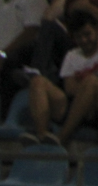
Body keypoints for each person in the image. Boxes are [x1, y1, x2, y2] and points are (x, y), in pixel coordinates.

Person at [24, 11, 98, 147]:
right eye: (78, 37)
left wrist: (85, 85)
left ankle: (62, 138)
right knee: (37, 81)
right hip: (73, 105)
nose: (84, 40)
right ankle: (42, 136)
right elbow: (69, 88)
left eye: (87, 34)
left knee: (91, 83)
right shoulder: (72, 55)